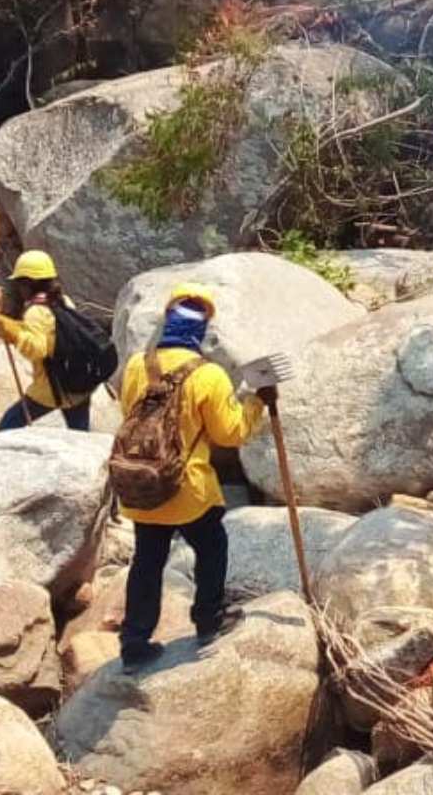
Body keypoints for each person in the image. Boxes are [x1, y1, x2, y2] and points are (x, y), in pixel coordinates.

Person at [116, 284, 277, 667]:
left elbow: (128, 413)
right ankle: (208, 619)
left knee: (147, 561)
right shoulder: (208, 375)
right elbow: (230, 433)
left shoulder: (138, 365)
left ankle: (134, 643)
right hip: (187, 489)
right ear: (201, 330)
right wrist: (256, 402)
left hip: (142, 481)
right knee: (211, 547)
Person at [0, 250, 94, 430]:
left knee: (9, 424)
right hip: (78, 382)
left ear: (29, 284)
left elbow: (37, 349)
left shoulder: (35, 311)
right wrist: (12, 325)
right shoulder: (63, 301)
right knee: (80, 432)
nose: (18, 289)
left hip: (52, 388)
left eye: (20, 283)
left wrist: (11, 331)